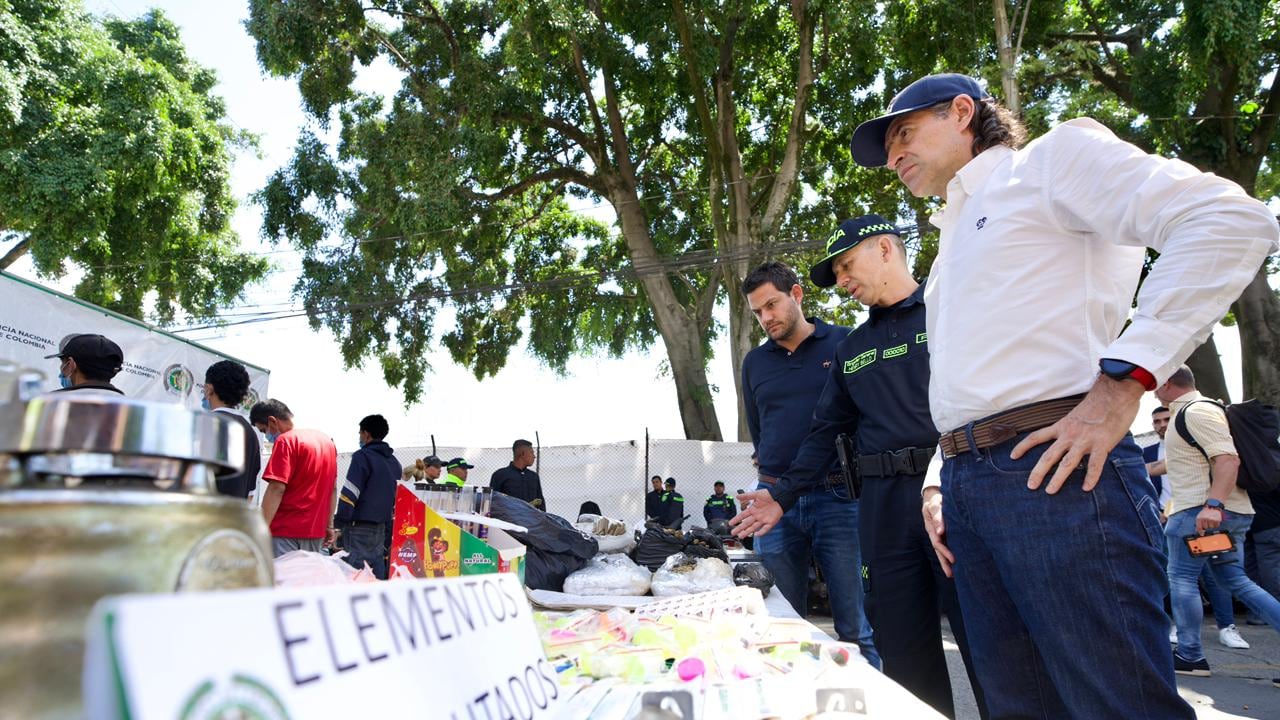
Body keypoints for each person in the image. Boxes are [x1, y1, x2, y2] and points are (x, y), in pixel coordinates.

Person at [843, 71, 1274, 717]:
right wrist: (939, 480)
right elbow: (969, 386)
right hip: (970, 490)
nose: (894, 154)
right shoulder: (949, 248)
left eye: (904, 132)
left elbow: (1227, 218)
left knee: (1115, 703)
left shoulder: (1049, 162)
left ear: (963, 112)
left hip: (1059, 474)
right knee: (1019, 705)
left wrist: (1123, 383)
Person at [733, 235, 982, 713]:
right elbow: (824, 432)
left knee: (986, 641)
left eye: (848, 266)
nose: (844, 281)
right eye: (838, 273)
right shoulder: (856, 347)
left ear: (886, 249)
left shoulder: (945, 313)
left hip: (950, 495)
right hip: (881, 508)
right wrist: (780, 495)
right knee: (902, 646)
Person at [732, 260, 879, 668]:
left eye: (772, 305)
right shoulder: (754, 364)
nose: (766, 318)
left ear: (797, 294)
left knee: (856, 628)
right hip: (774, 504)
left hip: (840, 498)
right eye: (758, 312)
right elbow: (760, 432)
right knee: (780, 625)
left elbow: (866, 418)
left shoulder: (846, 343)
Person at [1156, 366, 1280, 676]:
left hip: (1201, 515)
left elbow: (1227, 459)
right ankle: (1189, 654)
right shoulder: (1197, 413)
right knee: (1234, 580)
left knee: (1182, 578)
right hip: (1220, 515)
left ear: (1168, 382)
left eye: (1156, 380)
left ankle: (1190, 655)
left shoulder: (1196, 412)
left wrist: (1213, 506)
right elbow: (1186, 460)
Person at [1146, 405, 1246, 648]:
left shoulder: (1195, 445)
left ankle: (1227, 627)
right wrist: (1154, 511)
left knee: (1214, 576)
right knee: (1171, 576)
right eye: (1157, 421)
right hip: (1165, 521)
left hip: (1200, 517)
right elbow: (1141, 482)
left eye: (1166, 419)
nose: (1162, 424)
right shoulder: (1147, 452)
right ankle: (1178, 627)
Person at [249, 399, 339, 557]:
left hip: (284, 532)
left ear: (272, 421)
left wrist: (259, 531)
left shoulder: (286, 441)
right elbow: (332, 489)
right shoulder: (327, 442)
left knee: (283, 580)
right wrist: (329, 525)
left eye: (264, 431)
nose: (266, 436)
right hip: (315, 533)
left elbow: (276, 489)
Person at [334, 414, 399, 579]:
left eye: (360, 433)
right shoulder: (394, 462)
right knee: (374, 577)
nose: (359, 437)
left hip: (358, 530)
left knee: (353, 577)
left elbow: (350, 494)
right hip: (381, 530)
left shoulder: (362, 457)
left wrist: (338, 524)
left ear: (366, 434)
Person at [201, 360, 261, 499]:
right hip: (234, 517)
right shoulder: (251, 434)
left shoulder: (204, 425)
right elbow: (250, 493)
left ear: (209, 389)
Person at [45, 333, 125, 394]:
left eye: (62, 362)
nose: (61, 368)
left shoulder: (50, 403)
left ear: (70, 365)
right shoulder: (129, 408)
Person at [490, 439, 545, 509]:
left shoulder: (534, 476)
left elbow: (541, 504)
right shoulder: (499, 475)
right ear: (522, 454)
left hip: (531, 519)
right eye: (531, 452)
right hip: (507, 519)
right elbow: (492, 502)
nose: (534, 456)